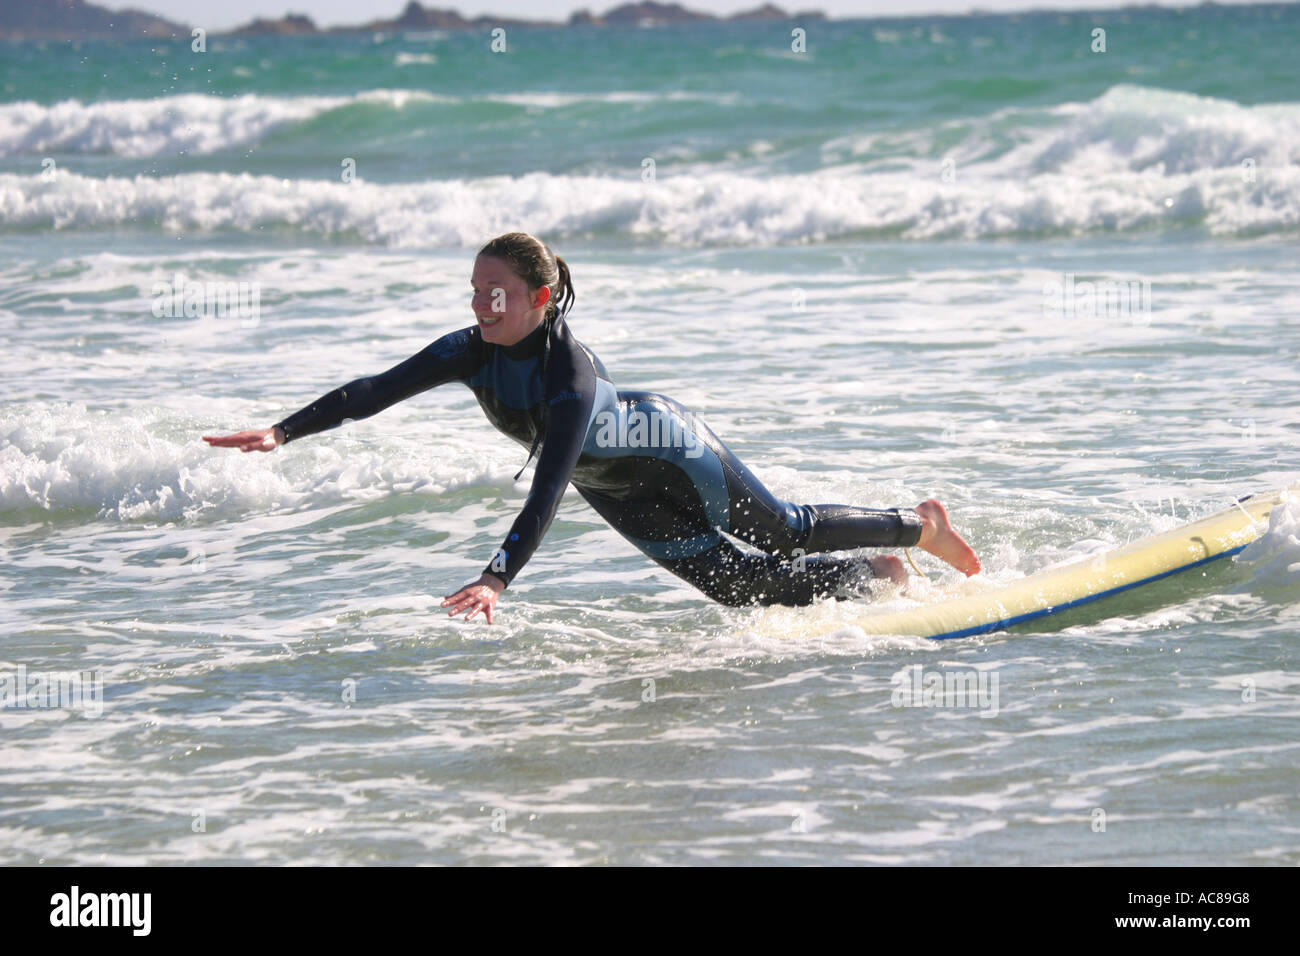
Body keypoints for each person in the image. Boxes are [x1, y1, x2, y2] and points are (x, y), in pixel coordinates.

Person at [204, 232, 980, 623]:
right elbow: (372, 391)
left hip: (672, 452)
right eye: (475, 289)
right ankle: (877, 577)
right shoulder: (465, 352)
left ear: (540, 298)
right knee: (742, 591)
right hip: (616, 490)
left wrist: (495, 577)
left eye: (497, 292)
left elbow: (546, 488)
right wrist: (283, 431)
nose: (480, 305)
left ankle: (920, 527)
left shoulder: (568, 379)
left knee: (780, 529)